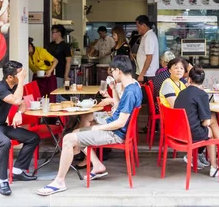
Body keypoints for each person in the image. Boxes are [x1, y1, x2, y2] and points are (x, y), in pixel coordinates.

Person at [36, 55, 142, 196]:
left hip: (114, 133)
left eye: (112, 71)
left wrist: (98, 127)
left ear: (118, 71)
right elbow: (118, 107)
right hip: (115, 129)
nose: (111, 73)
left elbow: (121, 122)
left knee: (68, 139)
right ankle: (97, 166)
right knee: (77, 132)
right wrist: (113, 88)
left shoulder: (130, 92)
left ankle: (59, 182)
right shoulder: (134, 86)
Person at [0, 61, 40, 196]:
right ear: (10, 77)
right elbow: (16, 101)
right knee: (4, 142)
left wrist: (18, 113)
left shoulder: (13, 88)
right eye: (20, 74)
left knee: (33, 138)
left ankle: (17, 171)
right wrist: (21, 81)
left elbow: (22, 104)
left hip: (0, 126)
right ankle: (2, 180)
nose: (23, 75)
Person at [174, 65, 219, 177]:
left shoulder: (181, 93)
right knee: (210, 132)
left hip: (177, 132)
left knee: (211, 119)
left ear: (189, 79)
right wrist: (205, 124)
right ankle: (215, 167)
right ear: (202, 82)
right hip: (191, 134)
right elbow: (206, 122)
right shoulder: (202, 94)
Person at [47, 25, 72, 90]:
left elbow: (68, 61)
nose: (52, 34)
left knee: (58, 92)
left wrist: (66, 75)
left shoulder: (65, 46)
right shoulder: (50, 45)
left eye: (53, 32)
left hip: (60, 74)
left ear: (59, 33)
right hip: (50, 73)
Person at [135, 15, 159, 83]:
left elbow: (149, 57)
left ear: (143, 25)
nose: (137, 29)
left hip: (147, 75)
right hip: (145, 73)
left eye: (138, 26)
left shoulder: (149, 37)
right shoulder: (145, 36)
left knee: (145, 93)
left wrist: (142, 74)